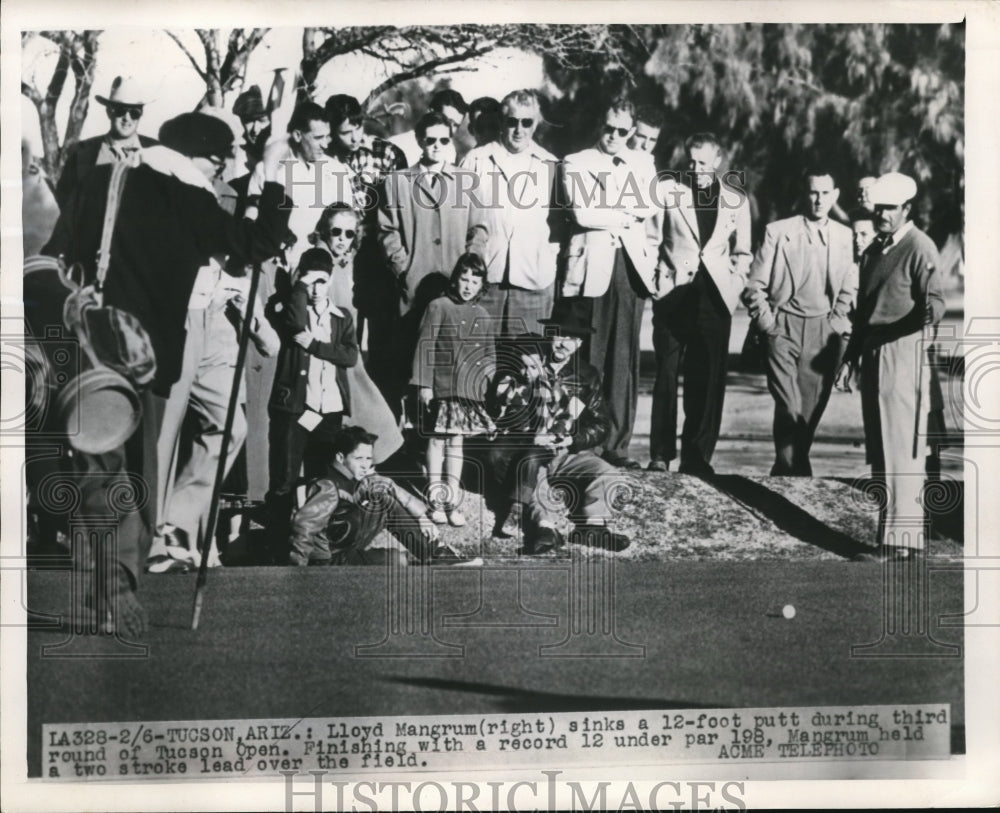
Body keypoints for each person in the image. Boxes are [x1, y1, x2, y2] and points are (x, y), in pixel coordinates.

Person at [41, 113, 292, 633]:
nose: (222, 165)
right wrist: (271, 173)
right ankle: (126, 572)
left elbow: (54, 260)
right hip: (153, 345)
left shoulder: (102, 181)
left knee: (106, 467)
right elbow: (256, 244)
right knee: (139, 465)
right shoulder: (187, 189)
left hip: (98, 340)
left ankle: (111, 580)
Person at [149, 112, 280, 573]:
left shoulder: (193, 182)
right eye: (218, 162)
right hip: (175, 318)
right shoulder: (172, 177)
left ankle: (175, 526)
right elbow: (243, 242)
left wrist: (266, 175)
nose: (221, 172)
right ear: (198, 154)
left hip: (206, 316)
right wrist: (267, 178)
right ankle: (154, 540)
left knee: (228, 427)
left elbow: (237, 243)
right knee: (163, 434)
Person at [836, 172, 945, 562]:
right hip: (874, 354)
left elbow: (934, 304)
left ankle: (902, 542)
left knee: (904, 449)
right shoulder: (874, 251)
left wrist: (900, 333)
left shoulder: (920, 247)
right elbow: (864, 313)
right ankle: (893, 538)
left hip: (904, 352)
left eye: (889, 209)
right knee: (882, 447)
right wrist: (850, 357)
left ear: (907, 210)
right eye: (878, 208)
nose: (881, 214)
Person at [561, 98, 659, 469]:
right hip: (592, 268)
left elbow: (648, 206)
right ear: (598, 125)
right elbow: (583, 213)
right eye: (609, 128)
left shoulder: (643, 162)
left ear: (632, 131)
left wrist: (609, 208)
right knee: (590, 357)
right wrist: (624, 210)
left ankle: (618, 446)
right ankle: (585, 441)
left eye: (623, 131)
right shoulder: (576, 162)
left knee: (624, 360)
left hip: (629, 268)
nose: (615, 136)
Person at [646, 132, 752, 474]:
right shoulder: (667, 191)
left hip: (715, 298)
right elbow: (651, 239)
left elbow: (744, 252)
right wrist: (656, 283)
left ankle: (697, 456)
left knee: (706, 379)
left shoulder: (736, 200)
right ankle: (661, 454)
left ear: (718, 161)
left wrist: (735, 286)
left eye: (704, 163)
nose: (696, 169)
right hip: (673, 296)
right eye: (691, 162)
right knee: (666, 374)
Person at [489, 298, 631, 554]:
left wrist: (571, 440)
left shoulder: (586, 376)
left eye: (572, 338)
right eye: (559, 335)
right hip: (526, 451)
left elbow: (601, 424)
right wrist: (524, 379)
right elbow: (501, 402)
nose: (564, 343)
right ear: (549, 334)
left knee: (608, 474)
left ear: (580, 343)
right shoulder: (527, 360)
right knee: (531, 475)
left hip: (564, 451)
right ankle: (545, 528)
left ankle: (593, 529)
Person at [742, 168, 857, 476]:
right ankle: (794, 472)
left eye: (824, 193)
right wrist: (769, 325)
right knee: (788, 405)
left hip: (824, 333)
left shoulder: (845, 236)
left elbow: (849, 283)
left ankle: (787, 471)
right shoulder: (778, 231)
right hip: (783, 328)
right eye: (813, 192)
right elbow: (754, 285)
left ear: (835, 196)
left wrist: (836, 321)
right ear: (804, 194)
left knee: (809, 412)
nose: (819, 199)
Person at [379, 111, 491, 404]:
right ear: (419, 140)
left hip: (455, 289)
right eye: (431, 140)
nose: (438, 146)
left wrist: (470, 268)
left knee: (449, 359)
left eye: (444, 139)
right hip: (415, 286)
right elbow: (386, 230)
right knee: (411, 360)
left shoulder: (467, 180)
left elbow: (479, 228)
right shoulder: (398, 182)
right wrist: (403, 269)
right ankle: (411, 436)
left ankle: (443, 432)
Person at [266, 248, 360, 559]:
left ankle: (319, 547)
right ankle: (280, 546)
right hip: (297, 409)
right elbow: (292, 322)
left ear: (331, 280)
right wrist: (300, 286)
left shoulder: (342, 317)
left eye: (322, 281)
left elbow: (349, 356)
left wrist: (316, 345)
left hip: (328, 411)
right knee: (285, 476)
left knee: (323, 481)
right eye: (311, 282)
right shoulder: (294, 310)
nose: (317, 289)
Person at [288, 426, 478, 566]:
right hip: (330, 562)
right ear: (340, 458)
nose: (365, 465)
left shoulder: (354, 477)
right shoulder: (328, 486)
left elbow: (387, 485)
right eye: (358, 459)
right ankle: (425, 561)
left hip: (345, 541)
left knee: (384, 501)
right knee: (397, 560)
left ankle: (436, 554)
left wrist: (421, 517)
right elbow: (303, 528)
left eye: (368, 459)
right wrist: (301, 576)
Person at [460, 89, 564, 337]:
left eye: (526, 122)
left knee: (525, 364)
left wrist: (548, 256)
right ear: (502, 122)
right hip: (485, 280)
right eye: (512, 121)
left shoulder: (550, 164)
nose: (519, 129)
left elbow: (560, 223)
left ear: (535, 123)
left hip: (533, 283)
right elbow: (460, 217)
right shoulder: (477, 160)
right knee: (479, 362)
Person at [308, 203, 405, 466]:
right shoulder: (319, 261)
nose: (342, 239)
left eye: (349, 234)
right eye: (336, 232)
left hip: (345, 355)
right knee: (365, 417)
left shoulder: (340, 262)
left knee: (363, 417)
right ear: (324, 231)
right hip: (330, 358)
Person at [412, 254, 497, 526]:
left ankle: (451, 501)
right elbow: (426, 345)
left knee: (456, 443)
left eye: (475, 280)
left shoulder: (483, 315)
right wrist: (424, 384)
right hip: (442, 388)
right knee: (437, 440)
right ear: (455, 279)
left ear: (482, 284)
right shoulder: (438, 306)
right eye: (464, 278)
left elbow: (489, 357)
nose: (468, 285)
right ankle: (434, 499)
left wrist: (493, 388)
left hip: (469, 392)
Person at [52, 76, 158, 214]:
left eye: (134, 113)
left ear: (141, 114)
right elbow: (65, 203)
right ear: (109, 111)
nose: (127, 118)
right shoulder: (81, 153)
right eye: (120, 110)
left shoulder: (157, 151)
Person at [389, 88, 468, 167]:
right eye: (446, 120)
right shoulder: (397, 144)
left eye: (455, 125)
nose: (449, 128)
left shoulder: (450, 151)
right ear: (430, 112)